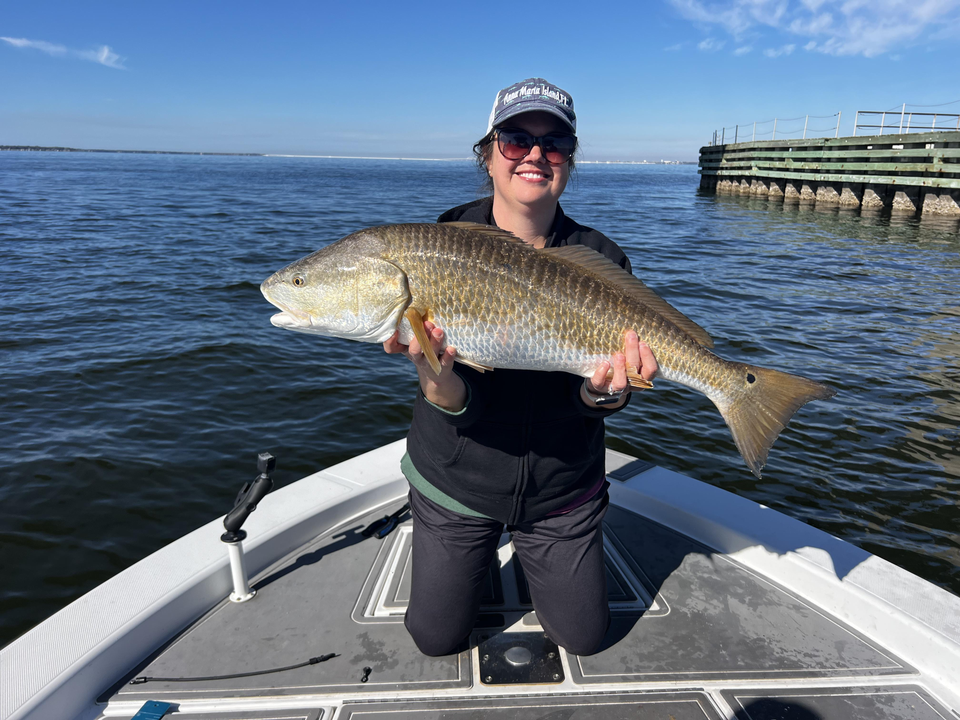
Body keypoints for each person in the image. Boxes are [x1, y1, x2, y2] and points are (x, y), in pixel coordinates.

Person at [383, 78, 658, 657]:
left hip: (562, 486)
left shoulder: (600, 257)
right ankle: (467, 554)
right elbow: (452, 400)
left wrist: (603, 394)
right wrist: (437, 379)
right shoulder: (439, 246)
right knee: (435, 638)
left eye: (555, 144)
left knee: (583, 638)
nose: (535, 154)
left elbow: (605, 397)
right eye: (515, 140)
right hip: (457, 479)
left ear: (569, 162)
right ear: (487, 155)